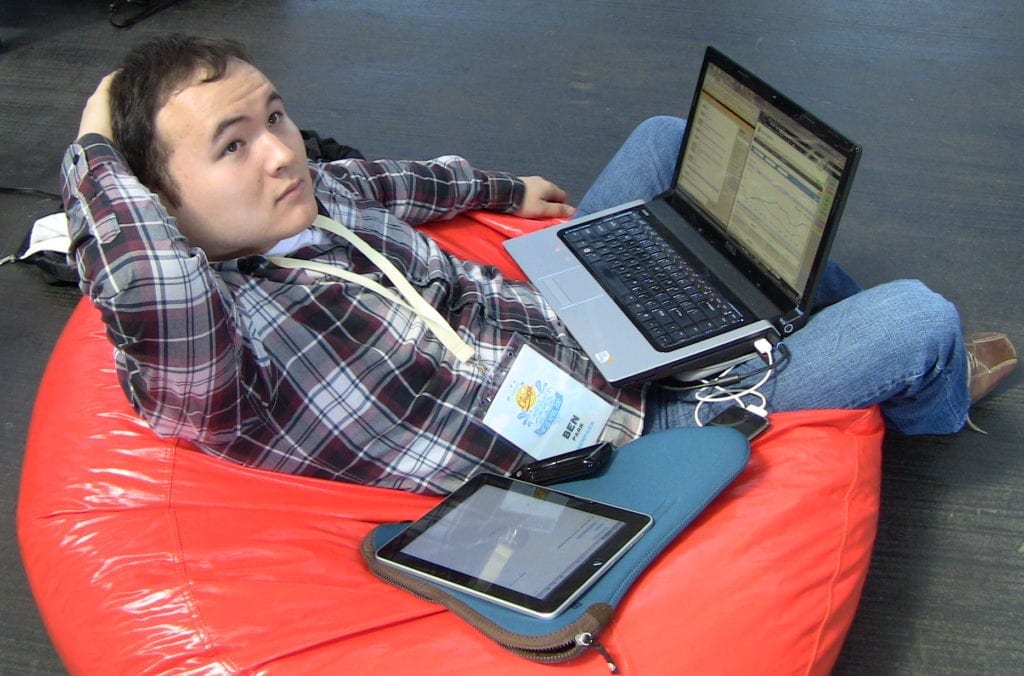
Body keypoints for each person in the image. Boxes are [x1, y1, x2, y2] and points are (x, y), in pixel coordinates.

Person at [64, 35, 1016, 495]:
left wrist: (504, 188)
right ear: (154, 203)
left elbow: (391, 182)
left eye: (272, 116)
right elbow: (150, 283)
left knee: (661, 137)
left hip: (560, 312)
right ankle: (927, 401)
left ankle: (782, 325)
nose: (280, 153)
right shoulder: (213, 355)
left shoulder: (308, 205)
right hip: (626, 430)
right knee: (918, 318)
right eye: (231, 147)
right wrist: (95, 144)